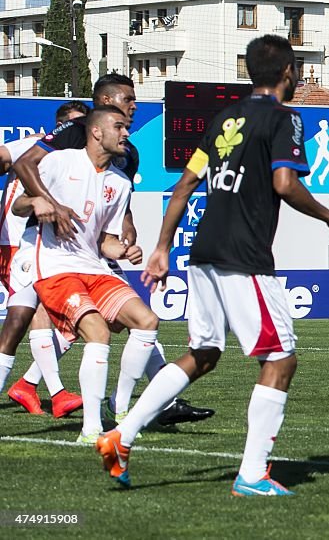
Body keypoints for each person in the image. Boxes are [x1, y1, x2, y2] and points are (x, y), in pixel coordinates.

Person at [96, 34, 329, 494]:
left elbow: (184, 186)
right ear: (288, 72)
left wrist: (161, 247)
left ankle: (120, 434)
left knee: (205, 353)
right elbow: (285, 183)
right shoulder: (284, 118)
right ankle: (252, 475)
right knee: (280, 359)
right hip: (243, 256)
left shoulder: (222, 119)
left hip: (204, 251)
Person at [6, 75, 214, 427]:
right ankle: (61, 396)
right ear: (104, 104)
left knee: (138, 321)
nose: (134, 106)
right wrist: (48, 203)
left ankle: (146, 400)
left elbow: (114, 200)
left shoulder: (126, 156)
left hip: (89, 252)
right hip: (40, 250)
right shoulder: (70, 137)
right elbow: (22, 171)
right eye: (127, 100)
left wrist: (125, 233)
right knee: (25, 322)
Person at [12, 106, 157, 443]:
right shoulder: (60, 161)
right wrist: (36, 203)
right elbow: (21, 203)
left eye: (127, 127)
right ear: (95, 132)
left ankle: (116, 407)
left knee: (146, 321)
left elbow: (103, 240)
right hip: (55, 267)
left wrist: (123, 249)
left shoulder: (120, 183)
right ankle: (91, 430)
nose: (126, 133)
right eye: (119, 126)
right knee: (97, 331)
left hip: (92, 265)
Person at [0, 100, 89, 418]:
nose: (82, 132)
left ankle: (28, 384)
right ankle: (53, 391)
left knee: (69, 324)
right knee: (21, 320)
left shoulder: (82, 162)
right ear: (60, 127)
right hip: (16, 243)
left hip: (53, 249)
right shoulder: (33, 146)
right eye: (76, 125)